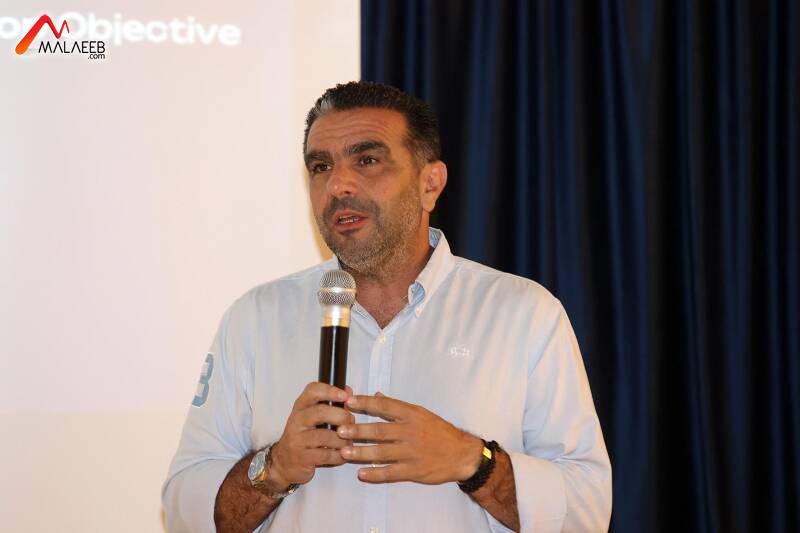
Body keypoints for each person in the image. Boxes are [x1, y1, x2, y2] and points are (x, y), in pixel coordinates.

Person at [162, 81, 612, 533]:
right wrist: (275, 468)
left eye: (367, 160)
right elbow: (184, 511)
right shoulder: (256, 319)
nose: (338, 184)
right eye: (320, 166)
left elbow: (587, 512)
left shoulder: (524, 314)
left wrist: (472, 461)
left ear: (430, 184)